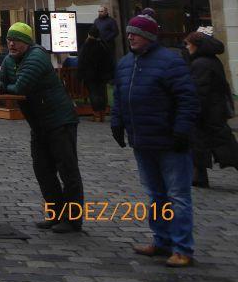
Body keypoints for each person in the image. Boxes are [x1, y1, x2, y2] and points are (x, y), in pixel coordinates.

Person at [111, 14, 198, 268]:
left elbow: (187, 99)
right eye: (128, 33)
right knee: (156, 196)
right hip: (142, 140)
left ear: (148, 36)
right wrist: (117, 122)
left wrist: (182, 130)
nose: (130, 37)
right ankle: (162, 240)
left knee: (177, 196)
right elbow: (120, 96)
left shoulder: (170, 62)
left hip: (169, 140)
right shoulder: (126, 63)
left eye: (135, 33)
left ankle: (182, 248)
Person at [0, 22, 82, 232]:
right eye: (9, 40)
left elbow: (20, 87)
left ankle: (73, 220)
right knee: (43, 170)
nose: (12, 44)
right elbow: (0, 80)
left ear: (26, 42)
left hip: (59, 120)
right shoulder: (9, 60)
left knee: (67, 170)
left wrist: (4, 86)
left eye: (16, 40)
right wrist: (0, 84)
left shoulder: (37, 56)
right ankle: (56, 214)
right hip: (39, 123)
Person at [184, 31, 238, 187]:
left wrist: (193, 109)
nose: (187, 47)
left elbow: (200, 90)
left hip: (209, 112)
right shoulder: (208, 60)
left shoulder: (201, 63)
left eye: (188, 44)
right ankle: (199, 175)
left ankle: (199, 175)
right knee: (199, 143)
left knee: (224, 145)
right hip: (212, 110)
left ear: (196, 45)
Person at [77, 28, 114, 122]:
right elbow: (109, 60)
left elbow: (82, 60)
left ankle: (96, 113)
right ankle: (102, 113)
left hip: (90, 75)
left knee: (93, 93)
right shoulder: (103, 45)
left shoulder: (86, 46)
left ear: (89, 35)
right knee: (102, 92)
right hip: (102, 74)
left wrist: (80, 75)